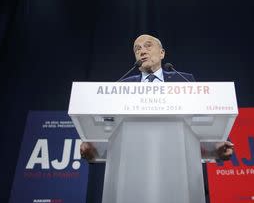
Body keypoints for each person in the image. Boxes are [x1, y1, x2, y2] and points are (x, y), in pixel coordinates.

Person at [80, 34, 234, 161]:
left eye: (148, 46)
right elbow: (108, 126)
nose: (142, 51)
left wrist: (216, 145)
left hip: (179, 157)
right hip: (133, 159)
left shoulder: (183, 80)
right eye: (137, 49)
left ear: (162, 53)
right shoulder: (121, 87)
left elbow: (202, 117)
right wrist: (95, 147)